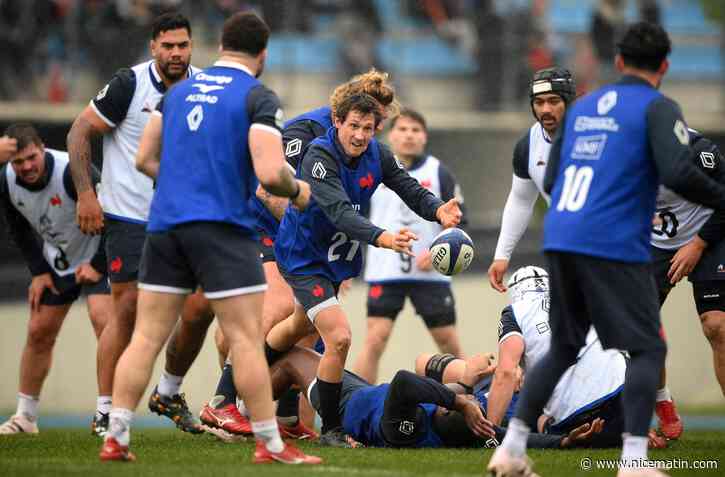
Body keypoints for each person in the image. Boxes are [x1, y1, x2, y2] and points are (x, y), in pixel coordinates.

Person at [487, 22, 725, 477]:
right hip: (610, 241)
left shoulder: (587, 108)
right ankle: (633, 462)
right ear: (665, 66)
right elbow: (677, 173)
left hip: (561, 237)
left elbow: (553, 179)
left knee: (562, 348)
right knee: (646, 348)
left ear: (618, 63)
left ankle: (511, 449)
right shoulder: (657, 107)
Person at [99, 11, 320, 465]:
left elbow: (144, 159)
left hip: (165, 225)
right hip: (222, 228)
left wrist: (182, 183)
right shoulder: (257, 96)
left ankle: (116, 436)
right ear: (262, 54)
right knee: (243, 337)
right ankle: (270, 445)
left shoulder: (177, 92)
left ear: (220, 45)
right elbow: (269, 172)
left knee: (145, 337)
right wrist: (299, 192)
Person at [200, 68, 398, 439]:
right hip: (262, 224)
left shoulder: (363, 145)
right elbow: (269, 191)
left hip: (308, 240)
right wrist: (317, 242)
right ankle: (224, 403)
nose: (368, 130)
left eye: (376, 123)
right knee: (276, 312)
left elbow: (345, 204)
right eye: (363, 120)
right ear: (342, 113)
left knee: (305, 327)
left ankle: (285, 417)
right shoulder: (305, 132)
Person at [263, 93, 462, 447]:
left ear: (376, 129)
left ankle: (234, 383)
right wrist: (384, 238)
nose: (359, 135)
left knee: (297, 326)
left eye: (367, 128)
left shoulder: (378, 154)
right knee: (338, 337)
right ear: (337, 121)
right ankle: (333, 431)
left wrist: (438, 211)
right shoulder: (319, 155)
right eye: (353, 125)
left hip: (336, 261)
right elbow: (341, 213)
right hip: (304, 258)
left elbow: (411, 189)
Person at [67, 12, 210, 436]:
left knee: (201, 307)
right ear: (153, 47)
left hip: (185, 218)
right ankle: (105, 410)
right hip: (130, 218)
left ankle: (169, 390)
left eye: (183, 45)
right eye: (167, 45)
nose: (176, 53)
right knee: (126, 313)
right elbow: (78, 131)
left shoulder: (204, 87)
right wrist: (87, 195)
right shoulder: (129, 83)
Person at [419, 266, 668, 450]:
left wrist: (491, 433)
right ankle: (647, 421)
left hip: (577, 418)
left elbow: (506, 372)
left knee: (549, 419)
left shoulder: (515, 311)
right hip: (627, 400)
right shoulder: (581, 296)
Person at [0, 123, 112, 435]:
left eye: (31, 158)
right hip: (60, 261)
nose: (26, 167)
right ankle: (25, 417)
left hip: (99, 254)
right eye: (18, 162)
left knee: (104, 322)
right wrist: (38, 271)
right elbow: (17, 228)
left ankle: (107, 414)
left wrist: (99, 265)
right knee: (38, 330)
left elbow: (116, 215)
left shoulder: (71, 172)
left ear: (42, 149)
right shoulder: (7, 181)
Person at [268, 346, 605, 449]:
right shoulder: (480, 425)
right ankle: (284, 421)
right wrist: (563, 443)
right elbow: (514, 439)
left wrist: (459, 398)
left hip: (344, 404)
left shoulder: (409, 430)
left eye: (450, 410)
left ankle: (242, 410)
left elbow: (404, 382)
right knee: (301, 346)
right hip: (371, 391)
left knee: (288, 357)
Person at [353, 108, 467, 384]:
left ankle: (475, 400)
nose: (409, 135)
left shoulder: (439, 172)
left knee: (448, 341)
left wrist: (438, 250)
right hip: (385, 269)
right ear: (390, 135)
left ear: (425, 137)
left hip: (429, 272)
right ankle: (356, 402)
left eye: (415, 130)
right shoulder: (371, 170)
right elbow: (353, 218)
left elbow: (460, 221)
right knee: (375, 339)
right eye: (403, 129)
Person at [650, 131, 725, 408]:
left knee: (717, 325)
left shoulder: (698, 152)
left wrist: (698, 244)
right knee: (635, 329)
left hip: (708, 234)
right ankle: (662, 403)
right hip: (656, 242)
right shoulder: (615, 152)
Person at [487, 67, 576, 293]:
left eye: (554, 101)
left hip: (611, 244)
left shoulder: (596, 134)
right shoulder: (528, 145)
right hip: (565, 245)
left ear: (569, 101)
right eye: (539, 102)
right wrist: (501, 255)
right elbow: (521, 201)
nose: (545, 109)